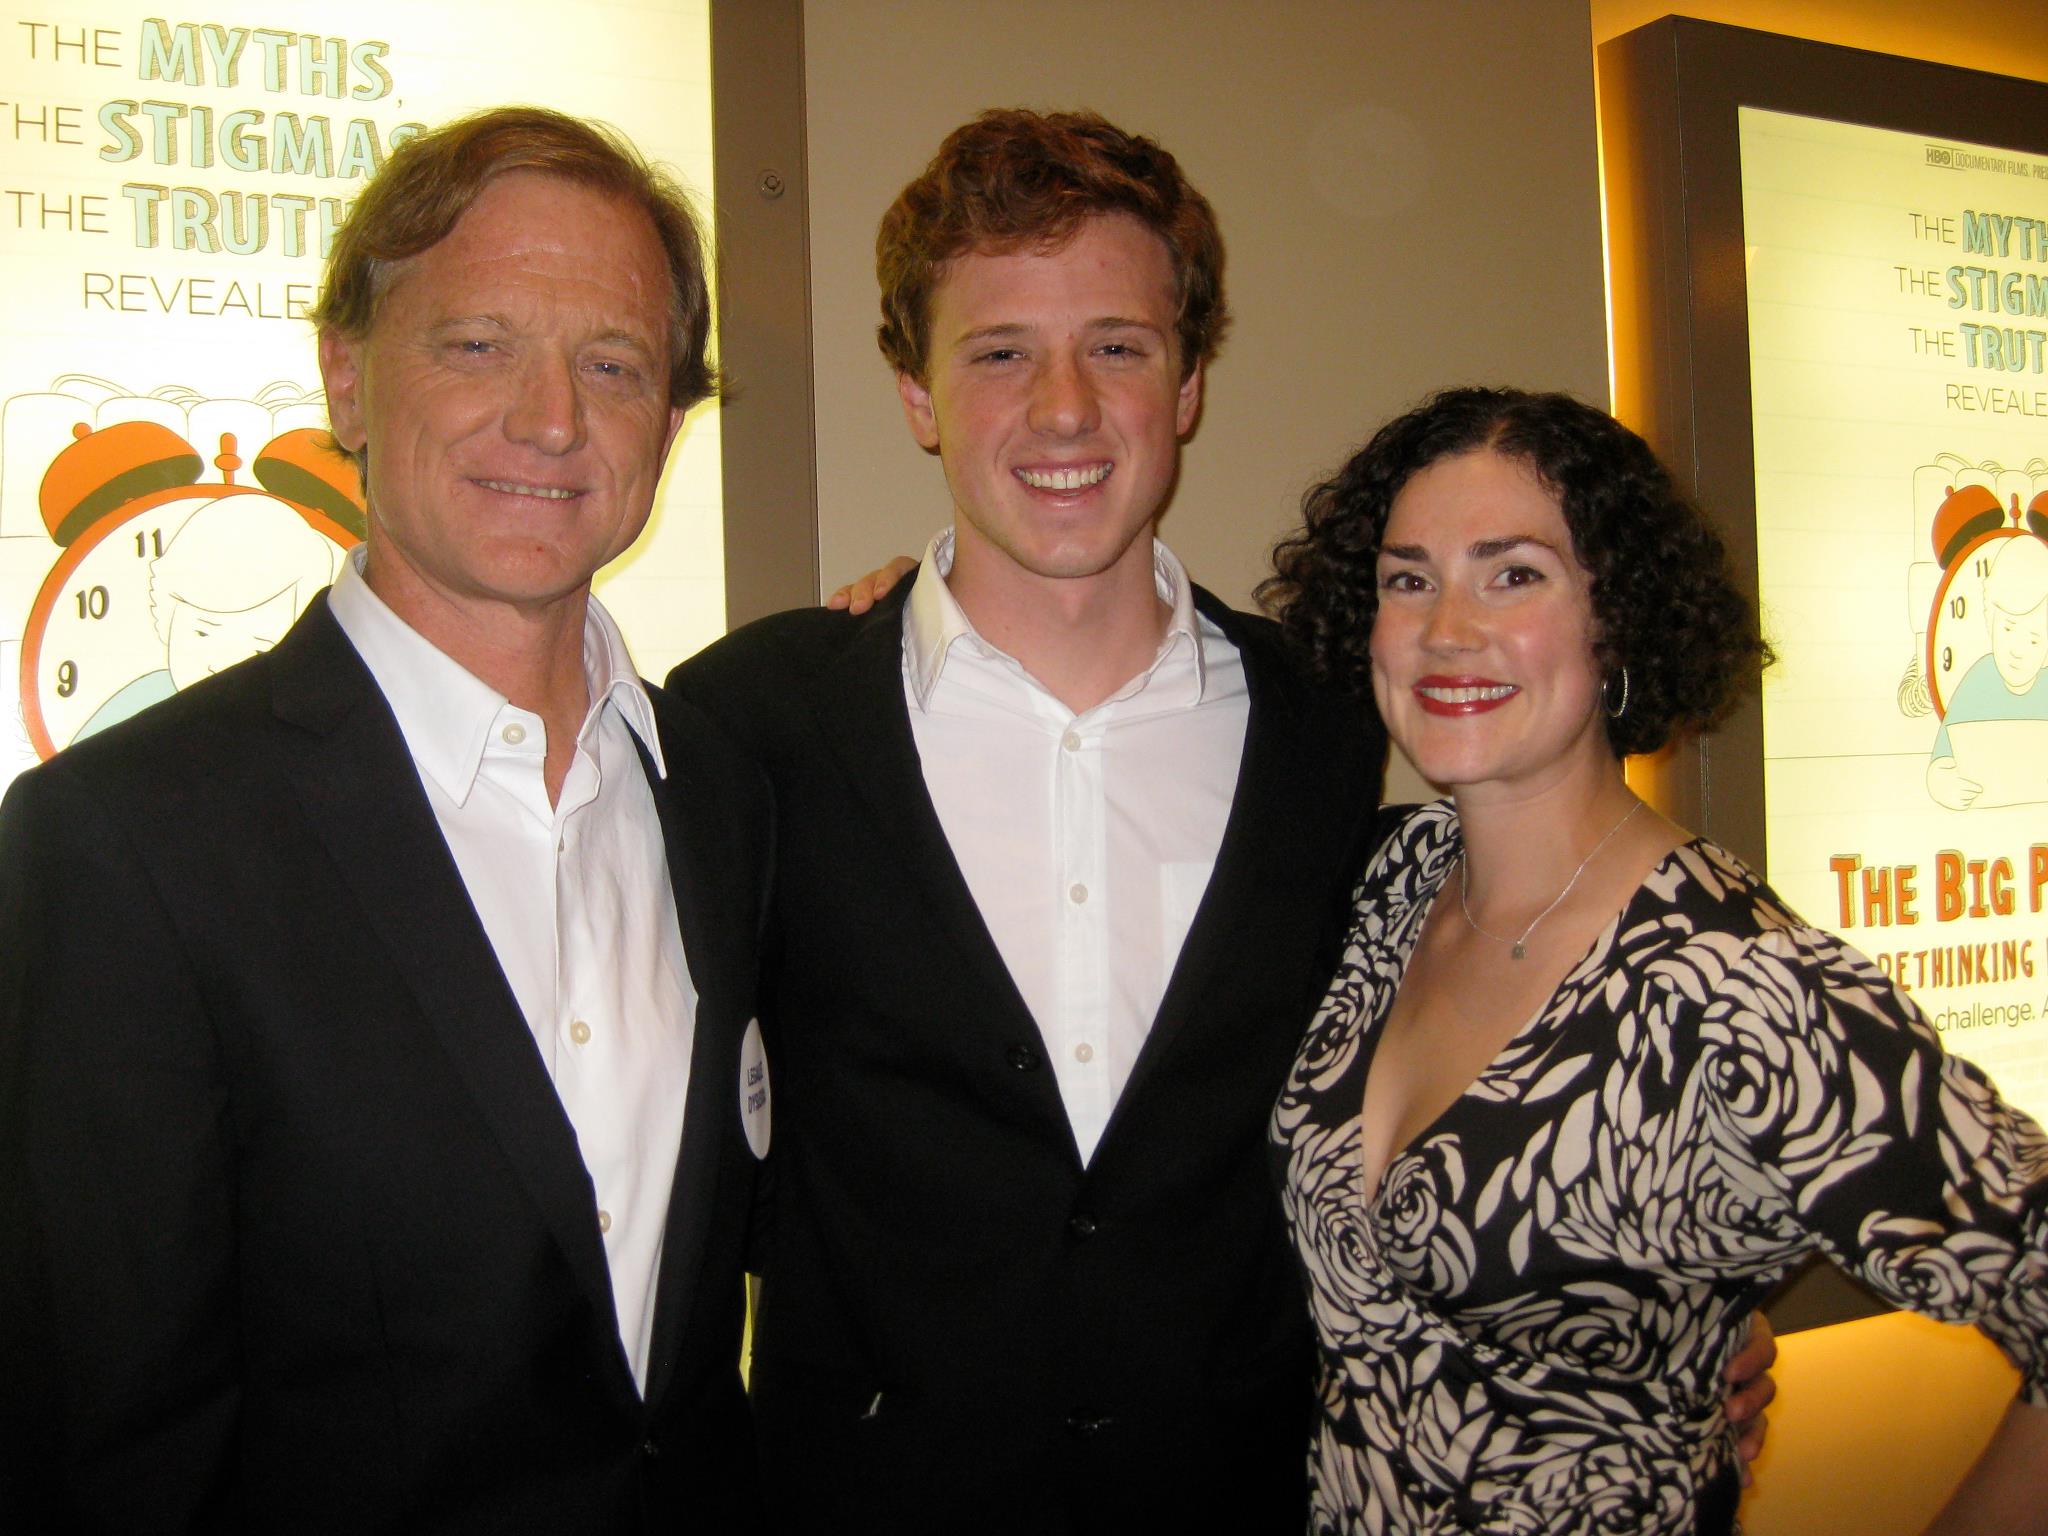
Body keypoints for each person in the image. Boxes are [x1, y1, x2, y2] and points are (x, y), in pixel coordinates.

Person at [672, 110, 1768, 1532]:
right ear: (917, 395)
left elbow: (1481, 1030)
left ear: (1186, 384)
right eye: (1000, 352)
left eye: (1118, 346)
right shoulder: (753, 721)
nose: (1064, 409)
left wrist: (1648, 1314)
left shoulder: (1335, 720)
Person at [0, 107, 771, 1532]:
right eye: (477, 344)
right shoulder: (128, 840)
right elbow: (102, 1439)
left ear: (667, 422)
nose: (551, 418)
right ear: (346, 377)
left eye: (611, 364)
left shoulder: (726, 796)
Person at [1261, 386, 2048, 1534]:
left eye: (1512, 573)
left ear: (1613, 617)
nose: (1445, 627)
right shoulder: (1381, 887)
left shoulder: (1735, 983)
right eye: (1407, 577)